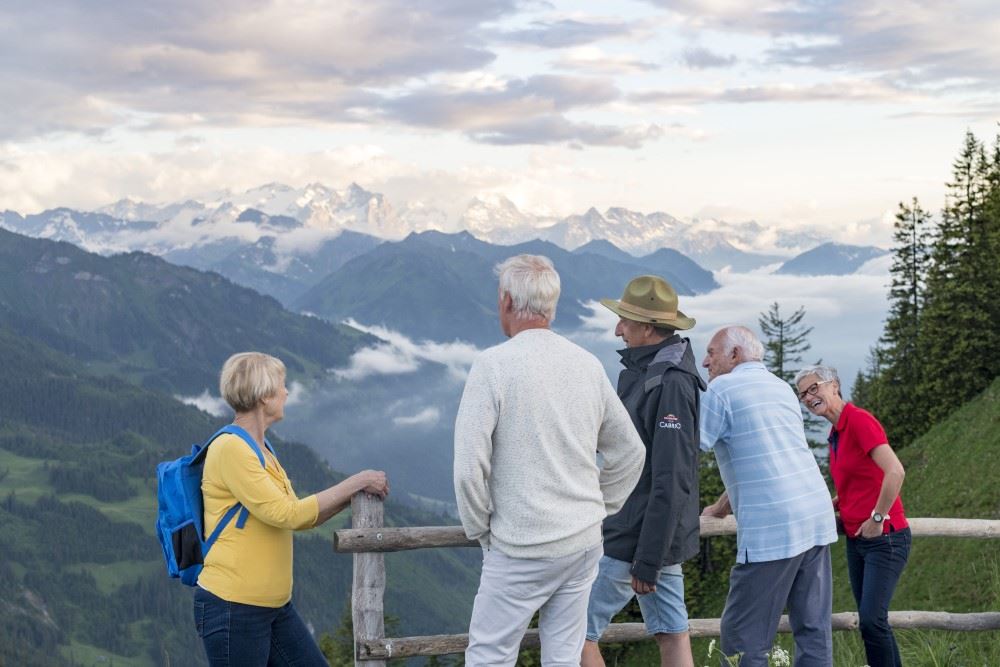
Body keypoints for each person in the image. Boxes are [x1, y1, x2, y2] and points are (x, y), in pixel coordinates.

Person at [453, 254, 645, 667]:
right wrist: (599, 506)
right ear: (552, 306)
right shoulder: (586, 364)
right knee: (562, 654)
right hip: (582, 540)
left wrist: (480, 530)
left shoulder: (492, 366)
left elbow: (470, 468)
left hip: (522, 543)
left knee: (489, 655)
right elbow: (631, 452)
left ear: (506, 301)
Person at [195, 351, 389, 667]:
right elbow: (289, 515)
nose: (286, 392)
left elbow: (298, 515)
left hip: (274, 608)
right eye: (281, 386)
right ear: (263, 395)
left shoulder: (262, 449)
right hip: (233, 608)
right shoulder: (231, 448)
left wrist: (352, 494)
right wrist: (356, 482)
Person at [582, 275, 705, 667]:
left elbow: (673, 476)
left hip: (635, 538)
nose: (618, 329)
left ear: (649, 328)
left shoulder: (669, 384)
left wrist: (648, 559)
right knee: (672, 631)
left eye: (626, 321)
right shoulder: (646, 371)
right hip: (656, 536)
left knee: (572, 632)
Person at [700, 326, 837, 667]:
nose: (705, 362)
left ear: (735, 355)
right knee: (812, 630)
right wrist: (720, 506)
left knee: (742, 639)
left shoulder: (721, 389)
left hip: (773, 526)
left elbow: (688, 445)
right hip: (814, 516)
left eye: (711, 353)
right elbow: (769, 456)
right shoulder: (780, 387)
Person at [795, 364, 909, 667]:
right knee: (872, 622)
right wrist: (835, 501)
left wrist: (877, 519)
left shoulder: (858, 421)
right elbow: (859, 478)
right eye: (803, 394)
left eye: (813, 387)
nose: (808, 397)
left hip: (886, 538)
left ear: (834, 384)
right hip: (858, 540)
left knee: (872, 621)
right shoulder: (837, 432)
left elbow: (895, 471)